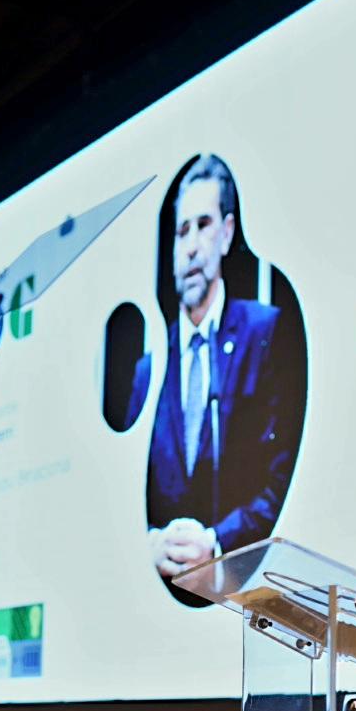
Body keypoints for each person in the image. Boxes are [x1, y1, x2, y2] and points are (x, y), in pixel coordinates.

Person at [129, 154, 302, 583]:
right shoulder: (149, 367)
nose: (190, 246)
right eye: (181, 231)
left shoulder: (265, 331)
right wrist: (147, 542)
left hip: (241, 583)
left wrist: (218, 541)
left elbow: (279, 475)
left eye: (203, 226)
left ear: (226, 234)